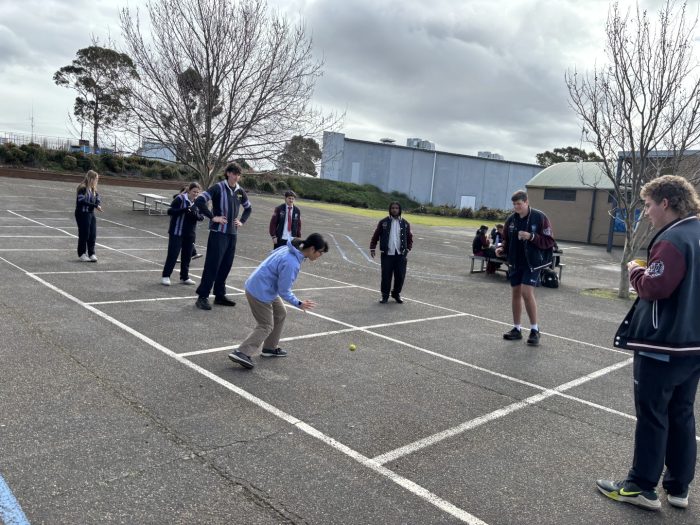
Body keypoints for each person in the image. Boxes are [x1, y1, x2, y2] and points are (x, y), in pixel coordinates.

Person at [596, 175, 700, 511]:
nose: (646, 213)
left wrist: (636, 271)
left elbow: (655, 287)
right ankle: (679, 487)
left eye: (648, 205)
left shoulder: (673, 238)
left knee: (653, 414)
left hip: (664, 344)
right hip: (693, 345)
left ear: (665, 203)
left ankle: (641, 486)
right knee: (681, 413)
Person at [228, 234, 329, 369]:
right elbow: (284, 291)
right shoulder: (292, 262)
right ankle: (242, 352)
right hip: (259, 291)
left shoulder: (290, 248)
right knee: (266, 325)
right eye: (320, 252)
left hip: (264, 286)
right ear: (312, 249)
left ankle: (269, 348)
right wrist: (299, 303)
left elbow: (271, 256)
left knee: (280, 313)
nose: (320, 256)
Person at [495, 190, 555, 346]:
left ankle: (535, 330)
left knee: (526, 292)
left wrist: (531, 236)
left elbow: (549, 241)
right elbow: (506, 240)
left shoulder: (539, 217)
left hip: (532, 262)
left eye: (519, 204)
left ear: (527, 202)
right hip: (515, 261)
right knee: (515, 292)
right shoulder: (511, 220)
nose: (516, 207)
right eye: (514, 204)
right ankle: (517, 329)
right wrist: (502, 248)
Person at [194, 163, 252, 310]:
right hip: (218, 233)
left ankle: (219, 295)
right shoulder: (218, 187)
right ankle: (202, 297)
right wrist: (213, 217)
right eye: (234, 174)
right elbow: (199, 200)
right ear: (228, 173)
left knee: (226, 265)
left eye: (238, 174)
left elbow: (248, 208)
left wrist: (242, 221)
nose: (236, 177)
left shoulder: (240, 191)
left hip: (232, 234)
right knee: (212, 265)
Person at [369, 201, 413, 304]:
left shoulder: (405, 223)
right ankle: (385, 296)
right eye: (393, 208)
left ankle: (396, 294)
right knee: (386, 276)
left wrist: (408, 249)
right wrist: (372, 247)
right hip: (387, 254)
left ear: (400, 210)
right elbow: (376, 235)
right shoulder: (383, 222)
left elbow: (410, 237)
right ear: (390, 209)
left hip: (400, 255)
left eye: (396, 208)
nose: (394, 210)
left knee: (400, 276)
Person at [161, 182, 204, 286]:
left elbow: (202, 217)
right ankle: (166, 276)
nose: (195, 194)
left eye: (197, 192)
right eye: (194, 191)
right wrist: (184, 210)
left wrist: (195, 215)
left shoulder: (198, 201)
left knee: (187, 256)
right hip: (177, 232)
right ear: (189, 190)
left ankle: (184, 277)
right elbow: (170, 211)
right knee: (173, 254)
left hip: (190, 233)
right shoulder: (180, 199)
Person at [74, 170, 102, 262]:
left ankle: (91, 253)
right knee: (84, 233)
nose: (97, 181)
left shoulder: (93, 189)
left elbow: (98, 198)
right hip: (82, 213)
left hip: (90, 214)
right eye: (96, 179)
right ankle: (82, 254)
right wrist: (95, 205)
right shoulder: (82, 188)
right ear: (91, 179)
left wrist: (98, 203)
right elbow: (82, 201)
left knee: (92, 234)